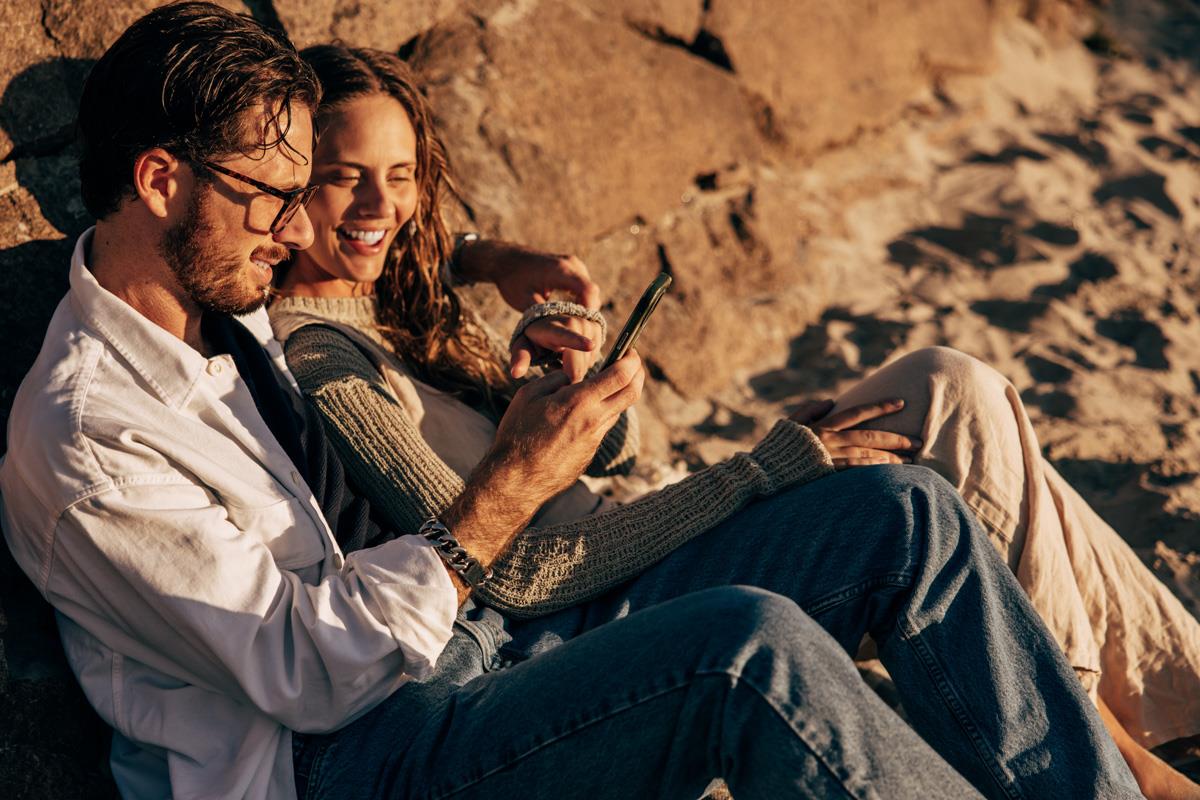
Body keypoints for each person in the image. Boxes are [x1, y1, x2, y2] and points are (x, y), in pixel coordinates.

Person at [0, 5, 1142, 799]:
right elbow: (310, 670)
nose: (300, 231)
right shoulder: (93, 437)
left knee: (903, 514)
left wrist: (488, 257)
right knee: (748, 650)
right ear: (160, 180)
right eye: (272, 200)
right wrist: (509, 485)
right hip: (354, 758)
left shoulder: (214, 297)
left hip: (470, 645)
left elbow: (376, 255)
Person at [268, 43, 1199, 798]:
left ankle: (1119, 769)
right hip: (583, 613)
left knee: (919, 479)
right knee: (916, 470)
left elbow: (607, 455)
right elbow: (509, 568)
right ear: (288, 188)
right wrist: (761, 472)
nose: (381, 206)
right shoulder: (323, 358)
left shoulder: (405, 305)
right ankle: (1132, 762)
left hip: (631, 545)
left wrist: (569, 367)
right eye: (344, 176)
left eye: (400, 174)